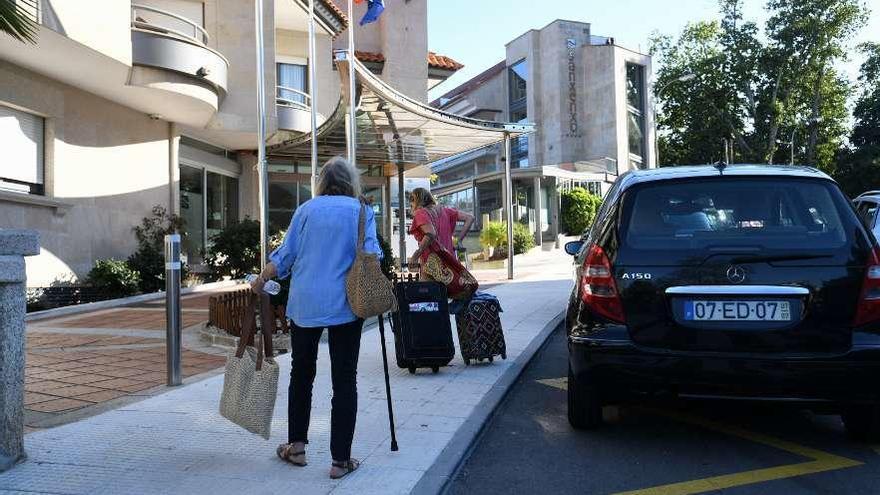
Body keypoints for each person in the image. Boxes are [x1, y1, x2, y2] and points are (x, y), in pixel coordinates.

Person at [250, 156, 381, 480]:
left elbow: (286, 254)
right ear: (352, 182)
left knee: (301, 374)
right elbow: (373, 255)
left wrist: (261, 278)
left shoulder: (306, 210)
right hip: (346, 303)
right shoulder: (362, 211)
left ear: (321, 182)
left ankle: (296, 447)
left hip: (306, 303)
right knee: (344, 379)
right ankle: (340, 461)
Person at [407, 188, 476, 289]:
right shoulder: (445, 211)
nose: (411, 207)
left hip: (431, 267)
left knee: (429, 300)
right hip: (449, 266)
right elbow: (470, 218)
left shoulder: (421, 213)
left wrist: (415, 256)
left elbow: (430, 233)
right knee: (447, 300)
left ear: (416, 200)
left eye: (411, 203)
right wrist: (459, 240)